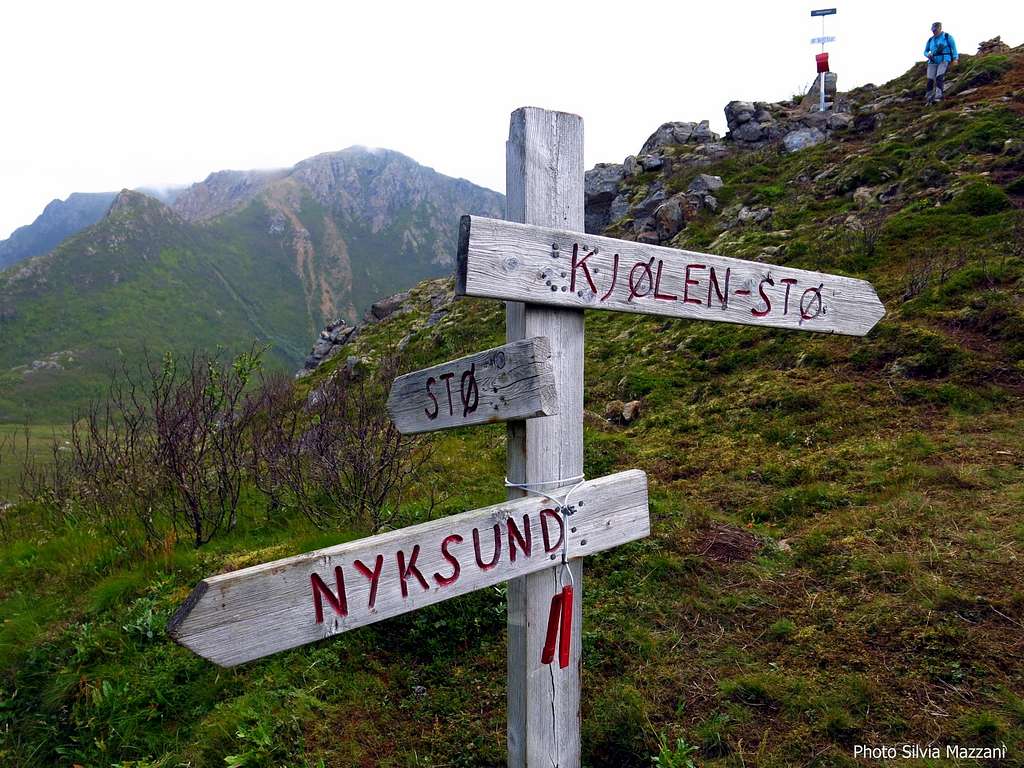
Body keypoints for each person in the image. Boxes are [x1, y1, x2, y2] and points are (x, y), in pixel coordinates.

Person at [924, 22, 958, 104]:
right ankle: (928, 98)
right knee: (930, 79)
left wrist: (955, 59)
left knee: (939, 77)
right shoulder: (930, 40)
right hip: (932, 61)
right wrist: (928, 55)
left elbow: (954, 49)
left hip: (944, 59)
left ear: (940, 28)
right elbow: (925, 51)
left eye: (935, 30)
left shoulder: (947, 37)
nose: (934, 32)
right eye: (933, 30)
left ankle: (938, 97)